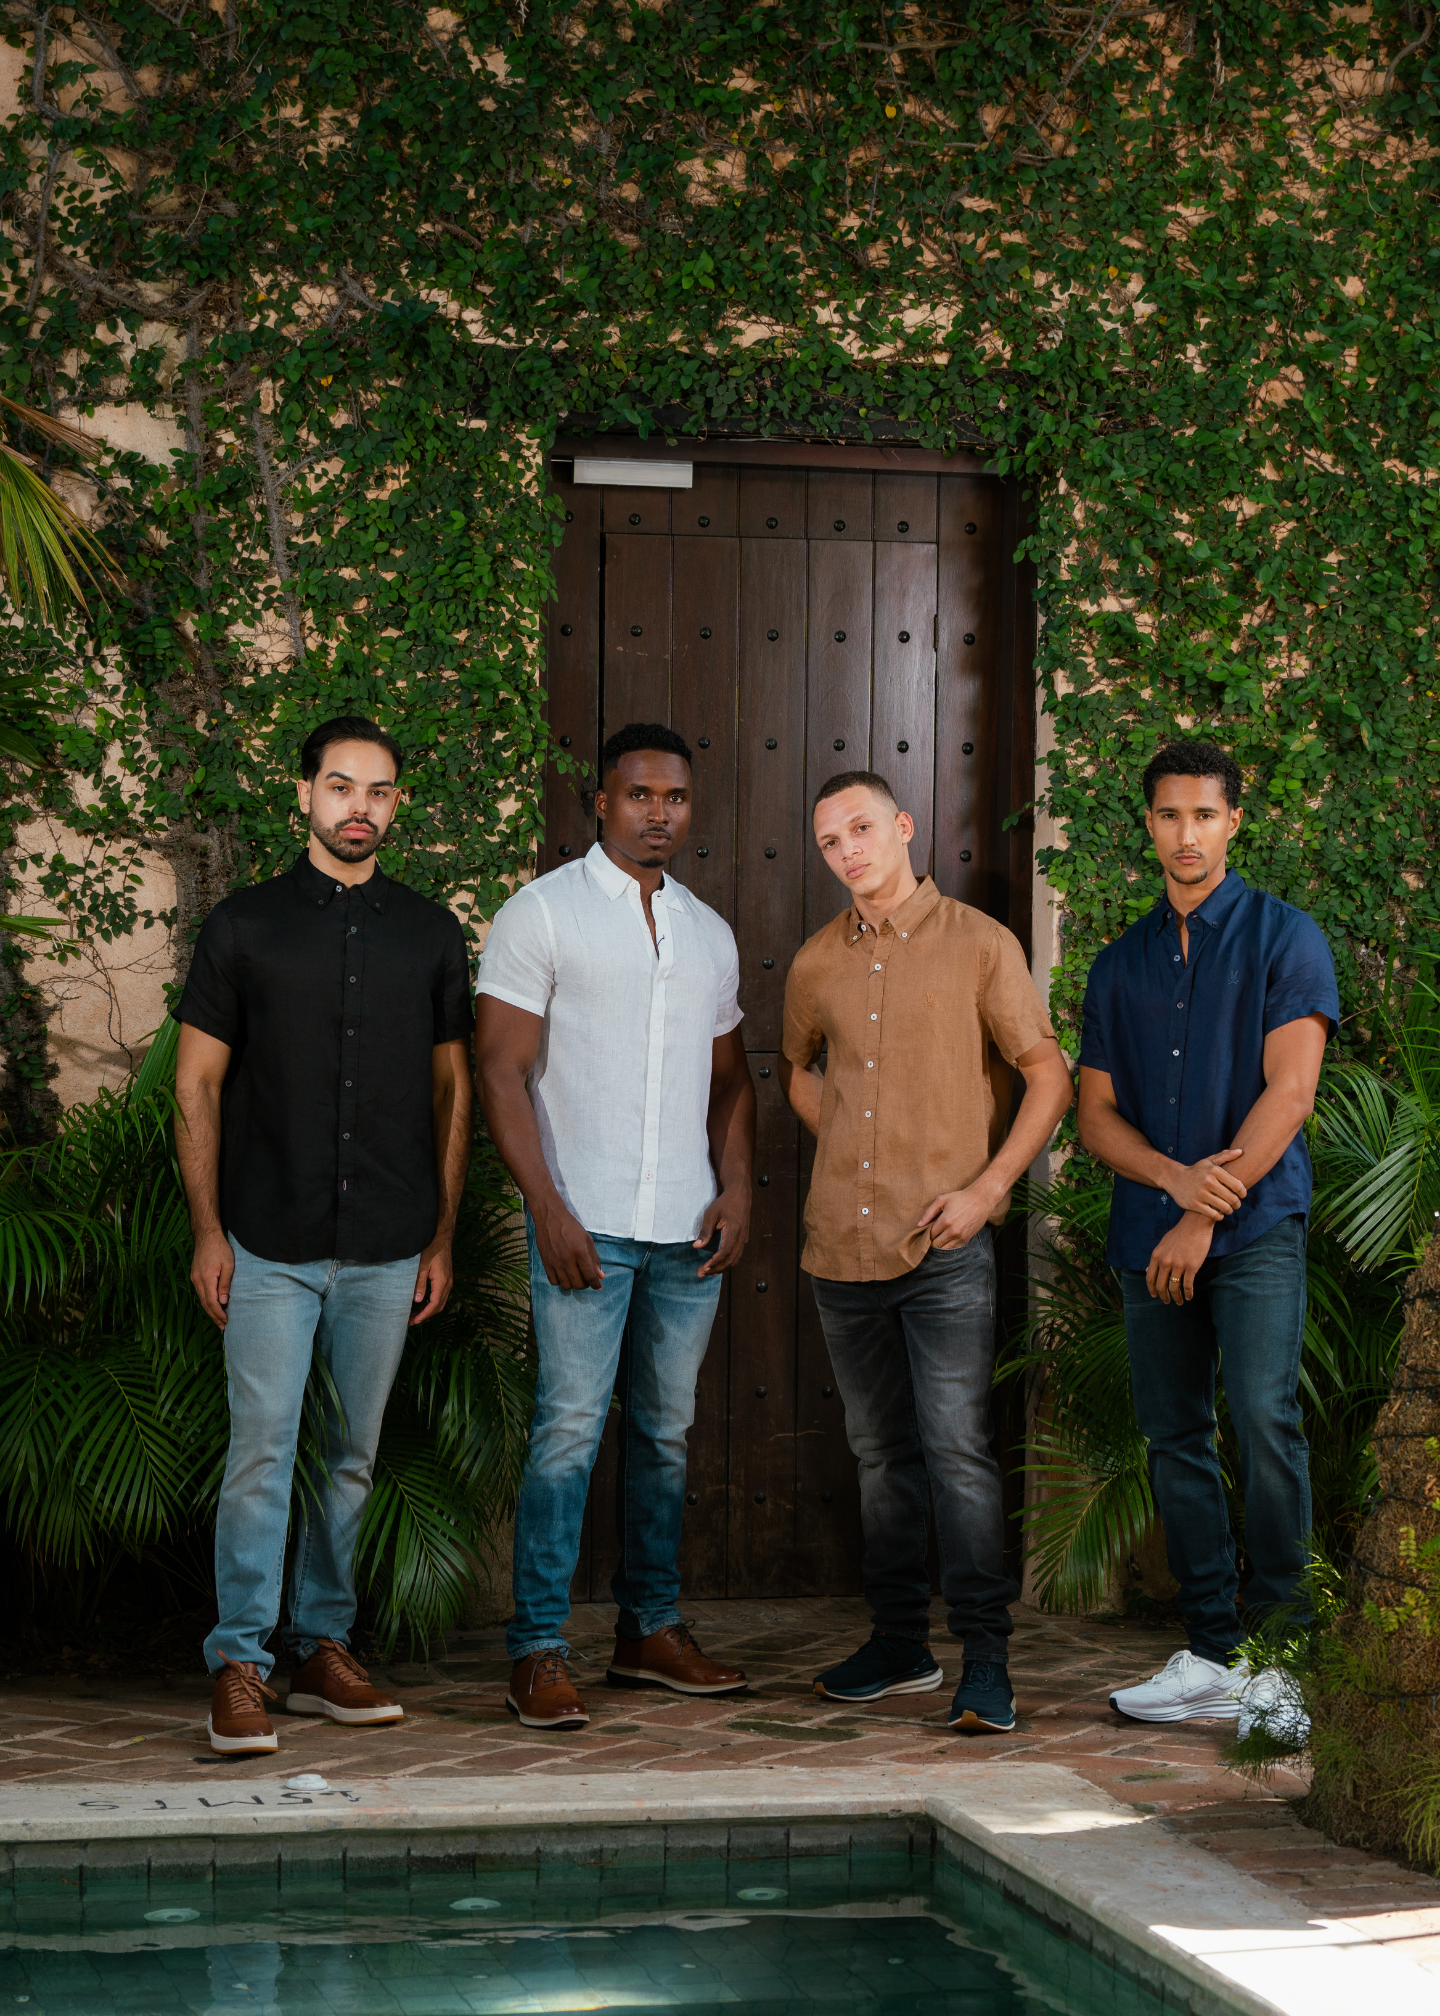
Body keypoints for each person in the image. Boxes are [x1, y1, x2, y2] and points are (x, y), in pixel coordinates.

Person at [174, 716, 476, 1757]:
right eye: (341, 786)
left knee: (351, 1457)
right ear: (304, 793)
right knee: (262, 1453)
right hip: (268, 1240)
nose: (360, 806)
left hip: (389, 1243)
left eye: (379, 791)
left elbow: (452, 1091)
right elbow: (195, 1085)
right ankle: (240, 1663)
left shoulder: (431, 934)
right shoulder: (243, 927)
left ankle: (320, 1647)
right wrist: (209, 1232)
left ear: (396, 806)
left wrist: (440, 1236)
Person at [476, 721, 756, 1730]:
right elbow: (500, 1069)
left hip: (687, 1231)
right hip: (584, 1226)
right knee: (566, 1433)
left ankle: (649, 1631)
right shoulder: (542, 913)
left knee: (665, 1436)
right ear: (601, 803)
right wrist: (547, 1207)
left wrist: (738, 1187)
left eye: (674, 797)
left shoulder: (708, 932)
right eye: (639, 795)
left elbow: (732, 1082)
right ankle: (537, 1649)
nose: (658, 813)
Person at [780, 771, 1073, 1734]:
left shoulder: (981, 943)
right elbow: (797, 1072)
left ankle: (986, 1662)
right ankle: (900, 1643)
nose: (847, 851)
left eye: (861, 829)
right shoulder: (815, 962)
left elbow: (1047, 1075)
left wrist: (988, 1190)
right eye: (830, 841)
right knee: (880, 1456)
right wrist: (852, 1147)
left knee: (958, 1455)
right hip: (840, 1247)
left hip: (945, 1248)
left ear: (903, 827)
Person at [1078, 740, 1339, 1728]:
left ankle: (1282, 1657)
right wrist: (1170, 1184)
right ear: (1148, 825)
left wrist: (1200, 1211)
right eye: (1168, 815)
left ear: (1234, 821)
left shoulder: (1285, 938)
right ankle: (1213, 1652)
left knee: (1265, 1421)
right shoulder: (1119, 965)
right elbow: (1096, 1117)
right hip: (1150, 1231)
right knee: (1174, 1436)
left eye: (1203, 814)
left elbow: (1292, 1092)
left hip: (1254, 1227)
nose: (1185, 834)